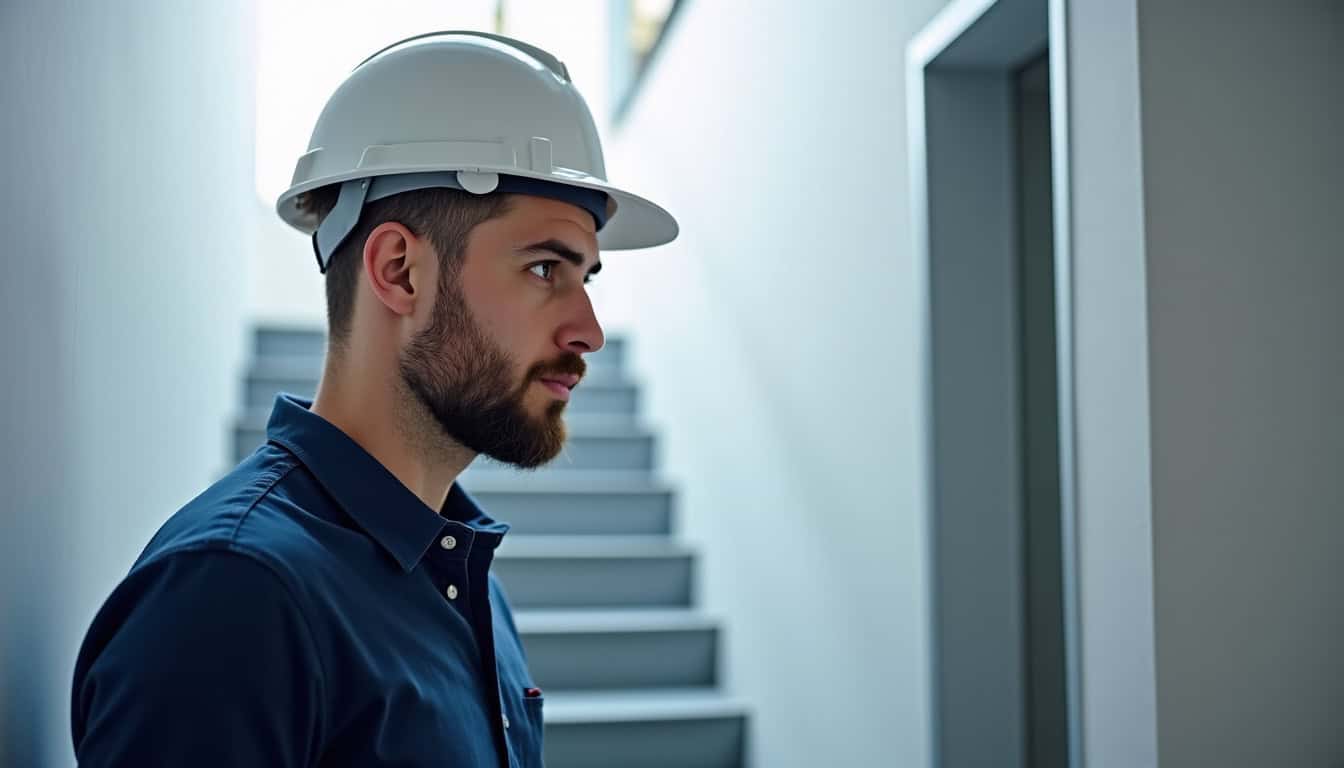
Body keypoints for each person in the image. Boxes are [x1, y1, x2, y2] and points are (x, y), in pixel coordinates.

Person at [69, 31, 677, 767]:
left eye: (588, 279)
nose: (589, 331)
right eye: (547, 268)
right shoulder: (234, 597)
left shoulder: (458, 577)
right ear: (399, 272)